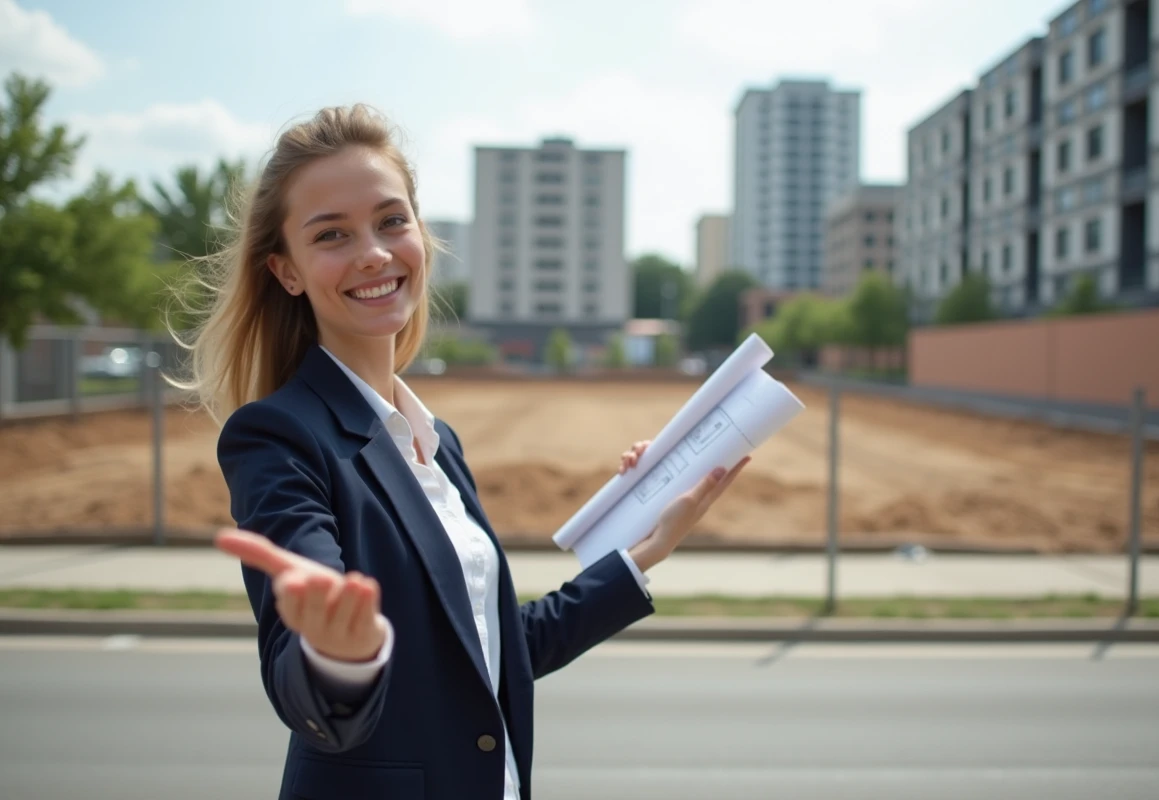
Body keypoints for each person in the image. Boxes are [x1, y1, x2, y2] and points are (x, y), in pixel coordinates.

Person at [182, 103, 748, 800]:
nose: (373, 252)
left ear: (421, 233)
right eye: (332, 234)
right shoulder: (279, 436)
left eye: (392, 220)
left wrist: (643, 550)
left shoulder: (435, 442)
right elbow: (309, 696)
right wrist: (340, 656)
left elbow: (495, 651)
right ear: (287, 270)